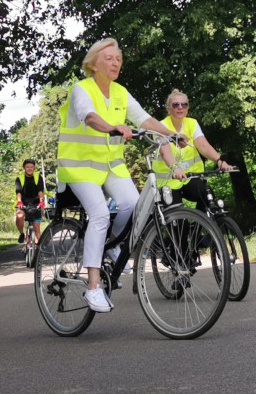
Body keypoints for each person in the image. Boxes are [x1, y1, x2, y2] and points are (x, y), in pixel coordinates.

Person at [57, 38, 187, 313]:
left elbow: (143, 119)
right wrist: (112, 127)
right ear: (93, 64)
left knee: (133, 204)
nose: (116, 62)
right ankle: (93, 288)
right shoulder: (82, 89)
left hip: (109, 165)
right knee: (101, 214)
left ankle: (111, 248)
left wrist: (172, 134)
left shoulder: (120, 92)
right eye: (109, 58)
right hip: (79, 166)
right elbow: (89, 117)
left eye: (119, 58)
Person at [154, 89, 235, 212]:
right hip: (167, 182)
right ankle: (185, 230)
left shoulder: (192, 124)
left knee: (208, 197)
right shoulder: (161, 126)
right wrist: (175, 168)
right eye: (176, 104)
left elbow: (203, 146)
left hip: (189, 178)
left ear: (187, 108)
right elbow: (165, 152)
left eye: (184, 104)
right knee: (179, 222)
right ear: (168, 109)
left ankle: (199, 229)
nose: (180, 107)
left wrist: (219, 160)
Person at [14, 159, 45, 244]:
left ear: (34, 168)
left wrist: (41, 201)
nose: (30, 168)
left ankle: (37, 250)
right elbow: (18, 192)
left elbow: (40, 191)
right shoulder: (19, 178)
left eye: (31, 167)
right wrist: (19, 201)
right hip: (24, 202)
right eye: (27, 167)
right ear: (24, 168)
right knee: (19, 215)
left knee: (36, 227)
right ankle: (22, 233)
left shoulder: (38, 177)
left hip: (36, 202)